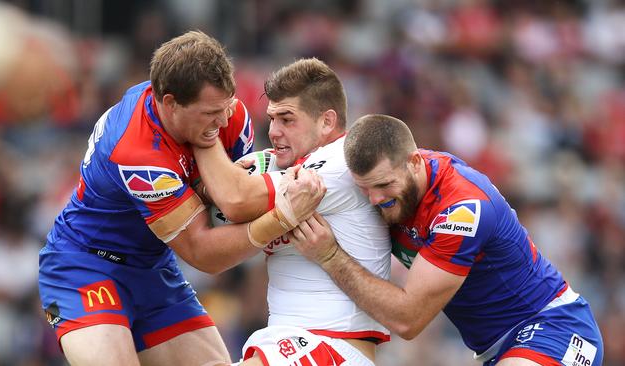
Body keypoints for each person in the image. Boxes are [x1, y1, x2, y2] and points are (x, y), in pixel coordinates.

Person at [38, 31, 325, 366]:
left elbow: (232, 208)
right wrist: (283, 217)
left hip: (152, 266)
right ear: (170, 103)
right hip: (86, 266)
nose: (222, 120)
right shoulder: (136, 151)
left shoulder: (231, 116)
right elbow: (203, 253)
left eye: (226, 106)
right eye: (209, 113)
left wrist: (207, 141)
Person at [291, 114, 604, 366]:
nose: (374, 199)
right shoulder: (387, 187)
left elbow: (407, 319)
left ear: (415, 162)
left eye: (384, 185)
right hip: (496, 350)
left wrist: (330, 256)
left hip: (553, 327)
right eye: (364, 188)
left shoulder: (462, 210)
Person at [192, 58, 392, 365]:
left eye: (287, 120)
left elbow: (234, 199)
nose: (273, 131)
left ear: (327, 121)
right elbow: (219, 213)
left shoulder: (341, 162)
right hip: (291, 339)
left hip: (332, 345)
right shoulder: (287, 163)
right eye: (272, 119)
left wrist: (201, 132)